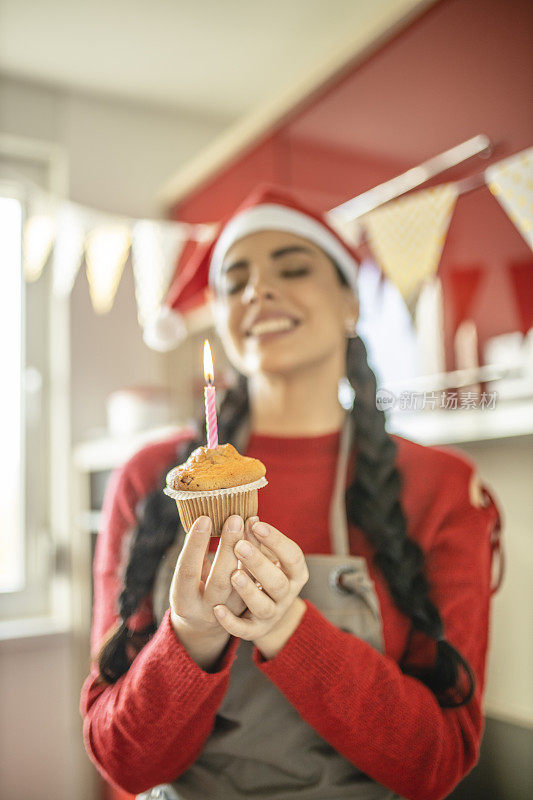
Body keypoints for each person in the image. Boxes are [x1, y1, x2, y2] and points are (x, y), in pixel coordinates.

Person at [80, 185, 503, 800]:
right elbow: (121, 760)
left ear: (350, 303)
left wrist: (291, 629)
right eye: (236, 280)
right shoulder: (151, 480)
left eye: (294, 267)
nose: (258, 291)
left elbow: (436, 762)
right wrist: (193, 638)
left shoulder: (444, 488)